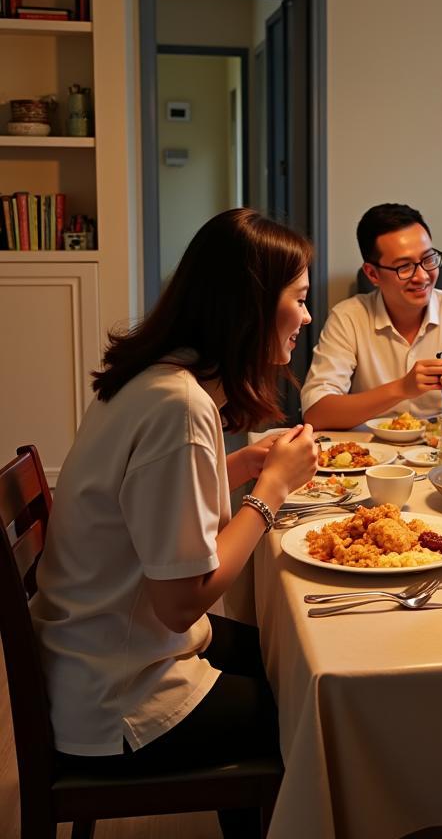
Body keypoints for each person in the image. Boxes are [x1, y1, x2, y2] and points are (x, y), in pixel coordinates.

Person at [30, 209, 318, 836]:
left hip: (91, 656)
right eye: (298, 299)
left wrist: (237, 462)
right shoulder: (179, 409)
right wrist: (270, 490)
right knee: (318, 708)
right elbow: (180, 603)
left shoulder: (153, 379)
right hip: (121, 697)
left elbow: (148, 502)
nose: (306, 315)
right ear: (251, 306)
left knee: (287, 648)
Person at [301, 203, 442, 429]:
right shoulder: (348, 318)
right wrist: (401, 389)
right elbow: (316, 412)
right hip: (373, 453)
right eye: (404, 267)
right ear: (372, 274)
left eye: (428, 259)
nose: (422, 276)